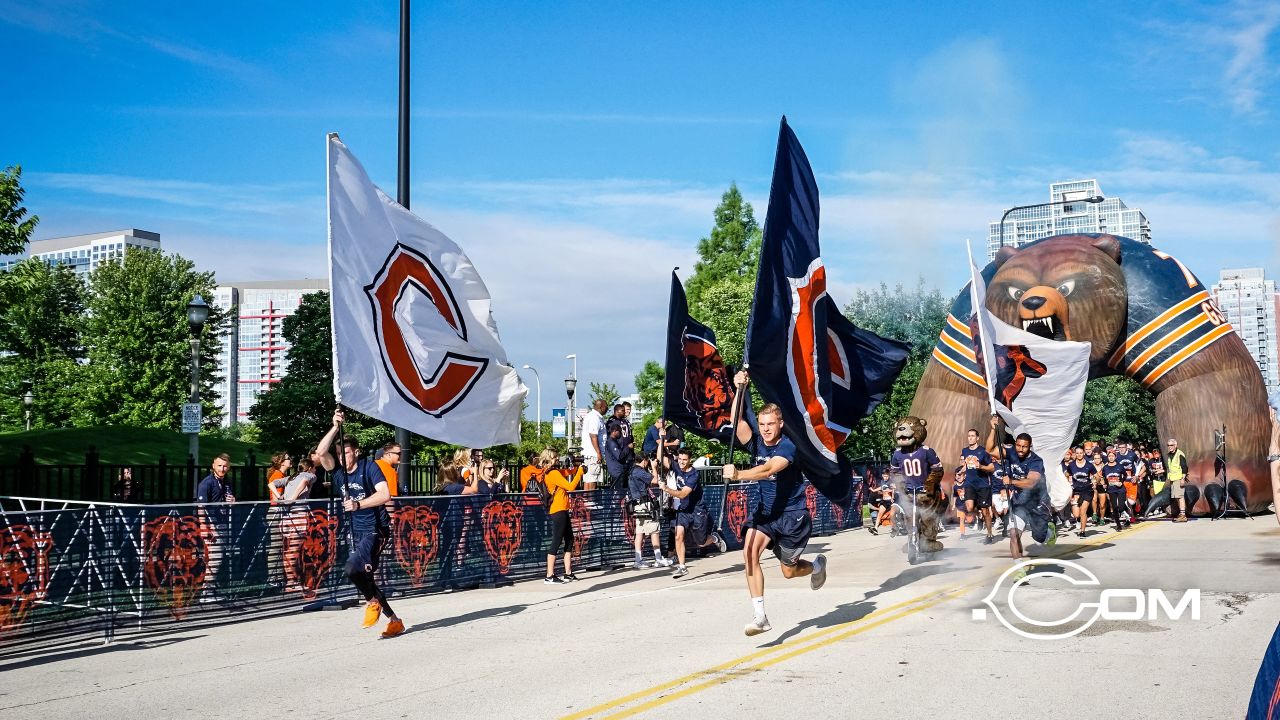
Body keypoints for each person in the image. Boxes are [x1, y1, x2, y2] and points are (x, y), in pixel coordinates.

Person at [723, 371, 827, 637]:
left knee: (789, 572)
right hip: (766, 515)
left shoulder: (789, 447)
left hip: (792, 516)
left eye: (771, 424)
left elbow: (768, 470)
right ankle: (760, 617)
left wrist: (738, 475)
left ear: (780, 424)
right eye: (762, 424)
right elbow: (736, 424)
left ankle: (816, 566)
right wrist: (740, 389)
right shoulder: (756, 441)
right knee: (749, 554)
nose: (766, 428)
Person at [315, 409, 404, 638]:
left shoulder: (368, 467)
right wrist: (335, 426)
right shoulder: (336, 472)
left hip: (375, 529)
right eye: (339, 453)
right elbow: (320, 452)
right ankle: (394, 621)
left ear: (356, 452)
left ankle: (372, 602)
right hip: (355, 530)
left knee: (352, 568)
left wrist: (358, 505)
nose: (342, 457)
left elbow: (385, 495)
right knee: (364, 576)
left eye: (346, 452)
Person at [987, 418, 1050, 566]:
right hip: (1020, 502)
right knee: (1014, 534)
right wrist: (992, 429)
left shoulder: (1036, 461)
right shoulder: (1011, 452)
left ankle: (1048, 532)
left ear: (1030, 446)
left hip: (1038, 503)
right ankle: (1019, 566)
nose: (1020, 449)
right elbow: (989, 450)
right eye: (1018, 446)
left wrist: (1012, 481)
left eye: (1024, 447)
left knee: (1039, 539)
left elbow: (1031, 482)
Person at [660, 448, 717, 577]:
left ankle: (714, 538)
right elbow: (661, 457)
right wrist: (660, 436)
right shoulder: (676, 466)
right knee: (678, 535)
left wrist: (667, 489)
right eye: (680, 459)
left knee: (701, 542)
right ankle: (682, 566)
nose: (681, 462)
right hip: (684, 509)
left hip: (697, 510)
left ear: (689, 460)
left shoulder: (694, 475)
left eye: (685, 460)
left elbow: (683, 494)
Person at [195, 453, 236, 593]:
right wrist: (204, 526)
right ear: (213, 465)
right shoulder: (207, 483)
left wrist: (233, 501)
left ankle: (211, 588)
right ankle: (207, 590)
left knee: (218, 556)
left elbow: (228, 499)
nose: (222, 468)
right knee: (216, 556)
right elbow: (201, 506)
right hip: (212, 524)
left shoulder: (227, 482)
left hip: (223, 523)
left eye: (225, 466)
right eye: (219, 465)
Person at [280, 457, 319, 596]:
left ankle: (292, 580)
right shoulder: (309, 475)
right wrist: (292, 499)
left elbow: (271, 483)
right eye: (314, 468)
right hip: (298, 515)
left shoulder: (291, 477)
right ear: (309, 468)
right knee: (294, 549)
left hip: (287, 516)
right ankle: (291, 582)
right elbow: (304, 481)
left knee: (290, 549)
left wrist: (282, 498)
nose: (315, 471)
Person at [544, 449, 583, 583]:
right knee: (557, 541)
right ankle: (549, 575)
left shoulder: (554, 472)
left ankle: (568, 572)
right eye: (555, 458)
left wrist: (577, 466)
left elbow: (568, 472)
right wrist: (579, 473)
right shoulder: (553, 473)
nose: (558, 459)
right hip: (558, 509)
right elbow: (570, 486)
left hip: (563, 509)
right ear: (549, 459)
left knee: (569, 539)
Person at [628, 456, 672, 569]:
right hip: (645, 505)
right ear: (644, 460)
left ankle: (638, 560)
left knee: (640, 532)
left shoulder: (632, 471)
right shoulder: (639, 471)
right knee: (654, 530)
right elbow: (654, 481)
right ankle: (658, 559)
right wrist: (654, 467)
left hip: (637, 505)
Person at [959, 428, 997, 543]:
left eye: (972, 436)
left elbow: (992, 467)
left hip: (983, 485)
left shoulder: (983, 451)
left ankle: (989, 534)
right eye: (969, 436)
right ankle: (979, 515)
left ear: (977, 438)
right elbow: (964, 464)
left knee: (986, 511)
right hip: (969, 483)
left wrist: (980, 467)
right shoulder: (964, 451)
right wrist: (962, 469)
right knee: (969, 508)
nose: (970, 438)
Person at [1065, 446, 1094, 538]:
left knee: (1082, 512)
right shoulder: (1071, 465)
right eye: (1077, 453)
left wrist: (1095, 481)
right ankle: (1078, 521)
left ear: (1084, 453)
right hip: (1076, 491)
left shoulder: (1089, 465)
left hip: (1088, 490)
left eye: (1081, 452)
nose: (1079, 454)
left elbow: (1097, 475)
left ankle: (1082, 531)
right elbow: (1067, 474)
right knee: (1076, 514)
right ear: (1075, 454)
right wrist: (1066, 482)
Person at [581, 399, 607, 490]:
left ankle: (587, 500)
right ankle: (590, 501)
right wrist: (598, 453)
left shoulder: (594, 416)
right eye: (606, 406)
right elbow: (593, 435)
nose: (607, 408)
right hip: (593, 454)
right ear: (601, 407)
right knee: (592, 478)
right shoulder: (594, 417)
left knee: (588, 478)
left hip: (590, 453)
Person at [1101, 449, 1128, 531]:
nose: (1111, 458)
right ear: (1107, 457)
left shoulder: (1120, 466)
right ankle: (1118, 524)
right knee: (1115, 507)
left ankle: (1125, 511)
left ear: (1115, 457)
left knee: (1120, 507)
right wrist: (1104, 484)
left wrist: (1121, 482)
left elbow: (1125, 475)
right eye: (1109, 456)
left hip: (1120, 489)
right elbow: (1104, 477)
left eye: (1112, 456)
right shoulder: (1105, 468)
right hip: (1111, 490)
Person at [1166, 438, 1189, 522]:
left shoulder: (1179, 454)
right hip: (1173, 478)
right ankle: (1181, 513)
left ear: (1175, 445)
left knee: (1180, 497)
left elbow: (1184, 467)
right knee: (1177, 497)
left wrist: (1183, 479)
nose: (1169, 447)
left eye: (1171, 445)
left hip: (1179, 478)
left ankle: (1183, 515)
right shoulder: (1169, 455)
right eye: (1168, 445)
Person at [951, 466, 968, 537]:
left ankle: (978, 519)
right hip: (960, 505)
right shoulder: (955, 487)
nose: (959, 477)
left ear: (964, 476)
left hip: (967, 504)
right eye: (957, 475)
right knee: (961, 519)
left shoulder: (967, 484)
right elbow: (955, 496)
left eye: (960, 475)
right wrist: (954, 504)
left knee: (969, 518)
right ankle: (962, 534)